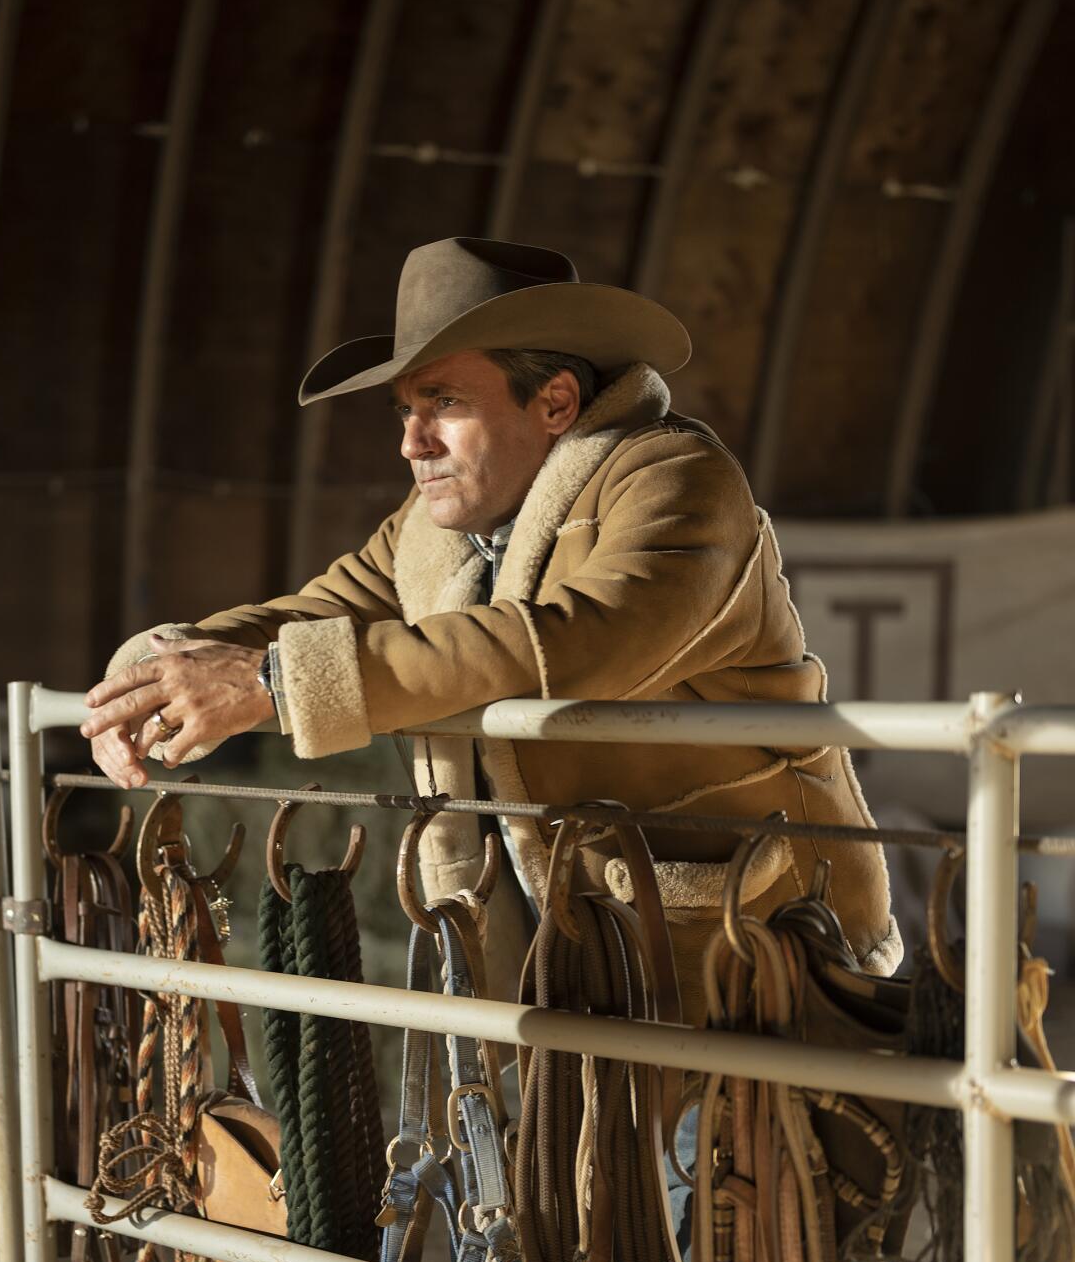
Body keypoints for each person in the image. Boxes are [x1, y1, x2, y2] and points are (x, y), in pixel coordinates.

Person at [83, 236, 900, 1017]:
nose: (411, 441)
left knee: (721, 1161)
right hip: (566, 948)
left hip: (749, 942)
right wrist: (154, 672)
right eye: (404, 409)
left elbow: (588, 638)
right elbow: (315, 609)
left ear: (555, 402)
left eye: (444, 402)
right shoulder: (433, 528)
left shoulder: (678, 478)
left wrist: (270, 683)